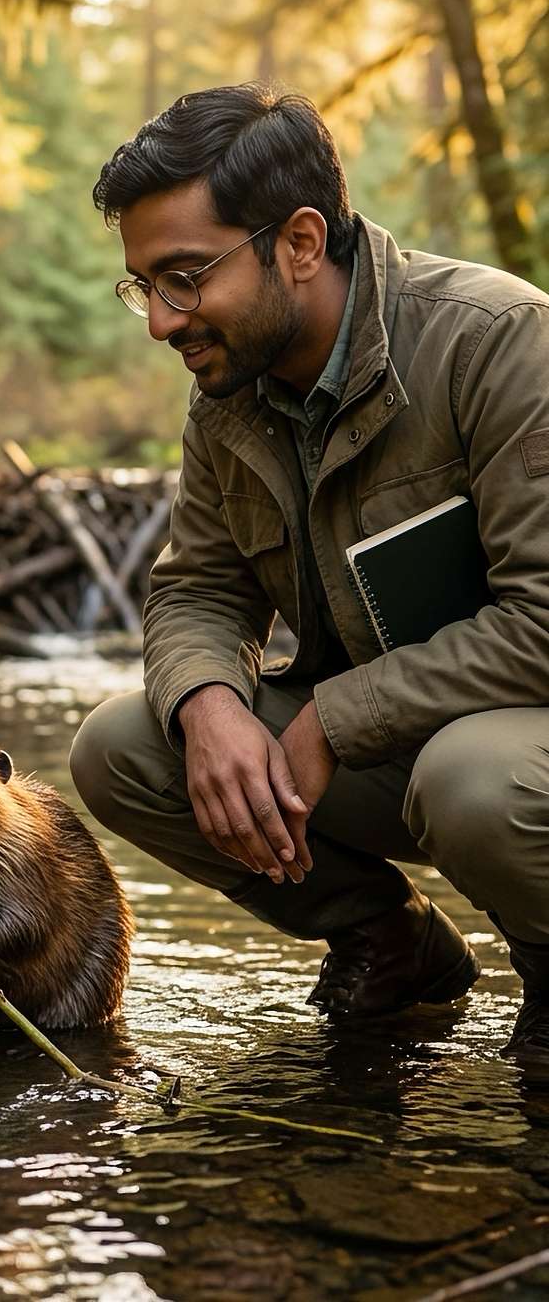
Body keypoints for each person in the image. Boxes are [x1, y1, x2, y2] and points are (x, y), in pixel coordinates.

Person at [70, 85, 549, 1068]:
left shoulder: (498, 340)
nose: (159, 322)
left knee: (473, 784)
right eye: (142, 286)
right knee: (122, 744)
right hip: (394, 741)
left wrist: (334, 717)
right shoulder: (225, 396)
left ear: (296, 241)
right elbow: (196, 585)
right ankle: (389, 941)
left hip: (504, 749)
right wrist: (205, 703)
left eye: (183, 277)